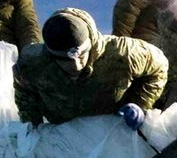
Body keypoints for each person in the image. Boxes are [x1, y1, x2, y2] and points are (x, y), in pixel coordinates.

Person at [13, 7, 168, 128]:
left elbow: (159, 67)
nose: (76, 65)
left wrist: (140, 104)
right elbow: (24, 92)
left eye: (81, 56)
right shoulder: (33, 64)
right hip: (64, 133)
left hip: (114, 130)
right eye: (65, 61)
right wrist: (33, 126)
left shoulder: (123, 54)